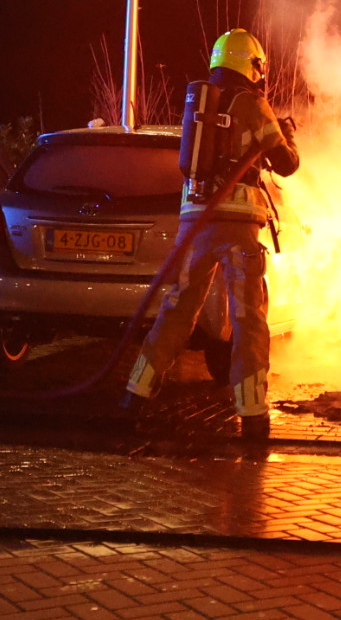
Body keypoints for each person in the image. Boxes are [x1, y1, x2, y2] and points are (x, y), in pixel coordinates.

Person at [123, 28, 300, 439]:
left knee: (178, 309)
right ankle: (252, 416)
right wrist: (287, 134)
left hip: (195, 222)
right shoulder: (253, 104)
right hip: (239, 228)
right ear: (252, 64)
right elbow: (286, 163)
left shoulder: (199, 101)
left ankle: (135, 393)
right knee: (248, 318)